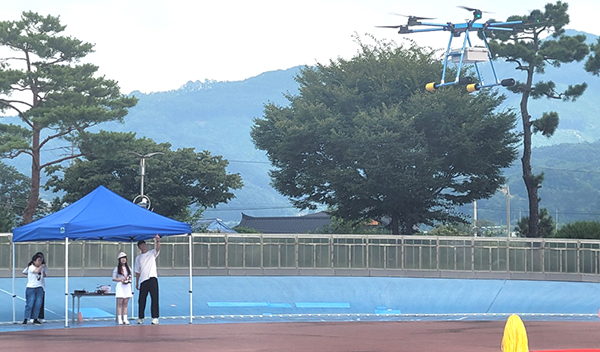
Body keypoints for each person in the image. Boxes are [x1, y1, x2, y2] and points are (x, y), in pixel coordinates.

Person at [135, 234, 161, 325]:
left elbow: (158, 249)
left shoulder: (151, 253)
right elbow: (137, 271)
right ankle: (141, 317)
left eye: (144, 244)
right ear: (139, 247)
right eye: (141, 245)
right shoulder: (138, 258)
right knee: (141, 300)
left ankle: (155, 317)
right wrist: (137, 283)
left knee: (154, 298)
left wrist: (157, 241)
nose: (143, 246)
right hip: (143, 280)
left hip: (152, 278)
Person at [22, 252, 47, 322]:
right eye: (38, 260)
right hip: (31, 287)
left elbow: (44, 275)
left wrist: (43, 269)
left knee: (38, 304)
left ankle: (35, 318)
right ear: (34, 261)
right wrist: (41, 267)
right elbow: (36, 271)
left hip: (39, 287)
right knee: (30, 303)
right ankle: (26, 318)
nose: (40, 262)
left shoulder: (41, 268)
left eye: (41, 261)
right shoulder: (31, 267)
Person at [112, 251, 133, 325]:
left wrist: (129, 280)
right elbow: (113, 278)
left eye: (124, 258)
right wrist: (121, 280)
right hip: (120, 286)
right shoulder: (117, 268)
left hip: (127, 286)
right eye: (121, 258)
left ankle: (125, 319)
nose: (123, 260)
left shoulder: (129, 268)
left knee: (126, 303)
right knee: (120, 303)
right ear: (119, 260)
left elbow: (131, 277)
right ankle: (119, 318)